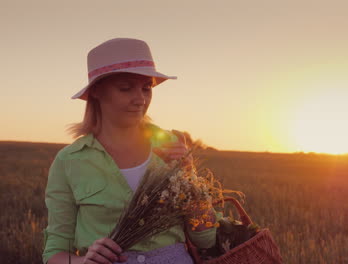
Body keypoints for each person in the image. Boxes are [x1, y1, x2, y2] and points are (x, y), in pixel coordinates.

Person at [42, 38, 217, 264]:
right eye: (126, 88)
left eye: (147, 88)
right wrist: (84, 261)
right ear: (97, 92)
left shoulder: (171, 145)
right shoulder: (69, 161)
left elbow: (205, 238)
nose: (140, 99)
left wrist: (190, 178)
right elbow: (54, 254)